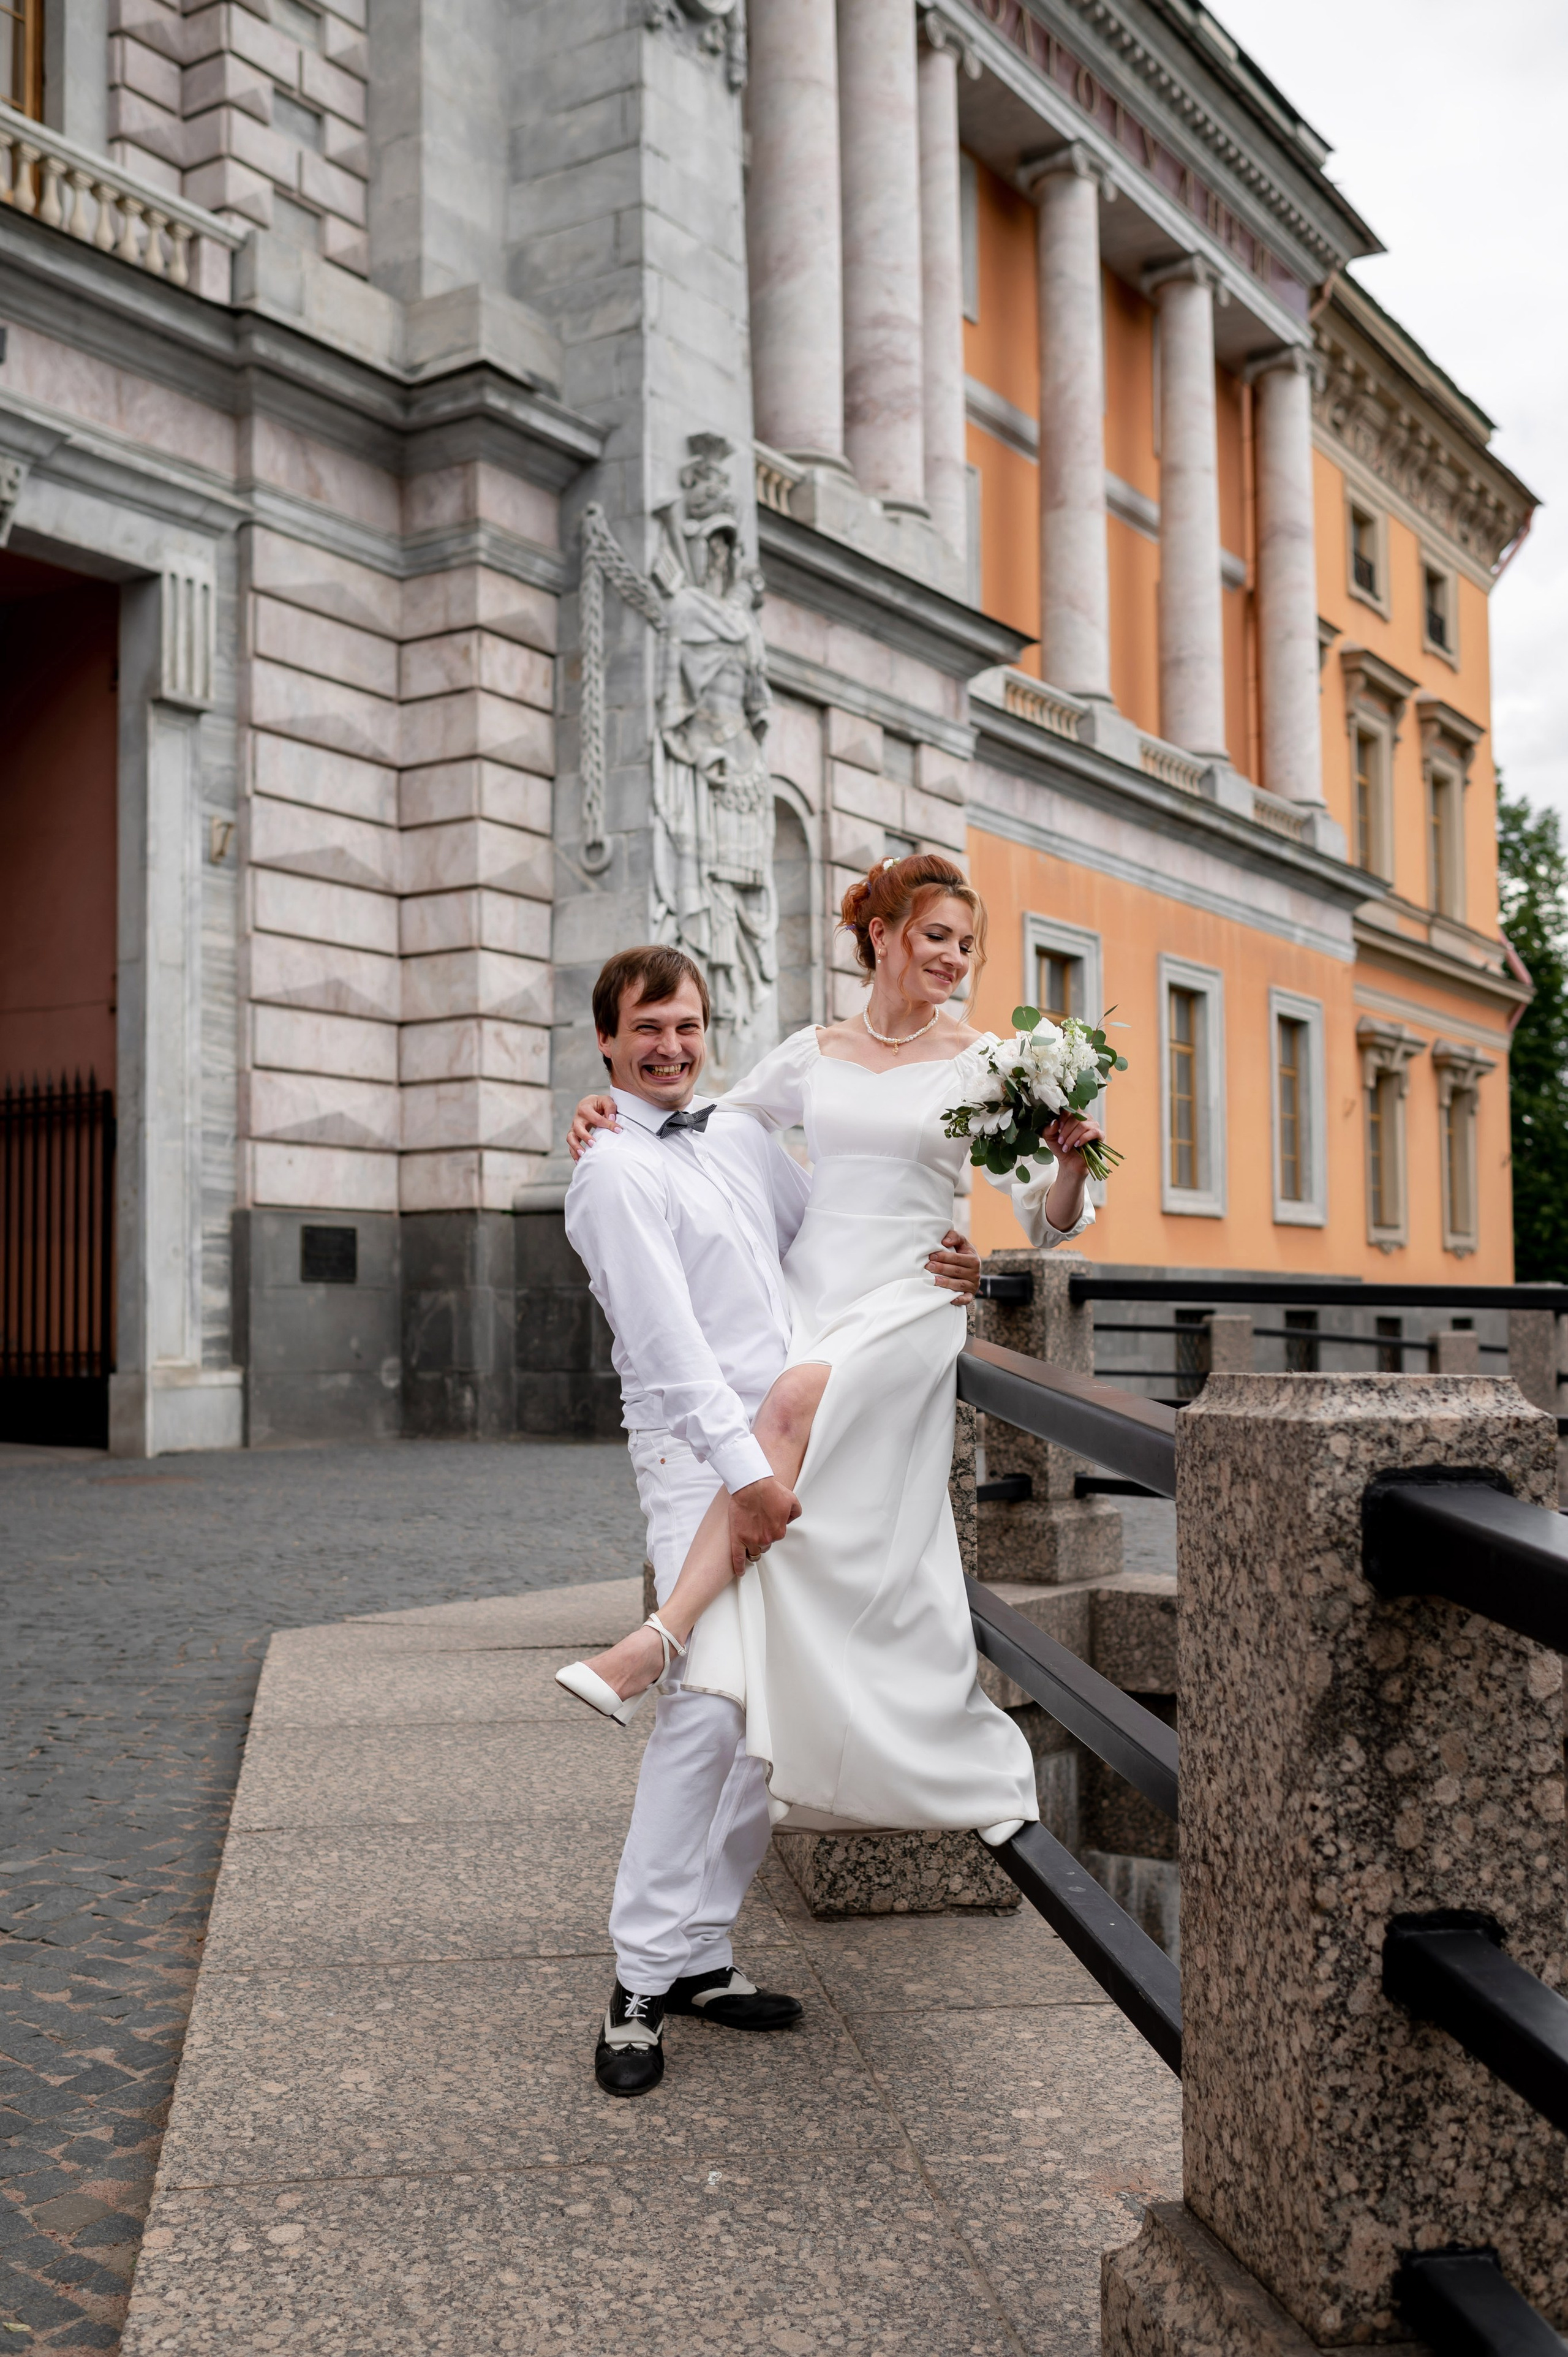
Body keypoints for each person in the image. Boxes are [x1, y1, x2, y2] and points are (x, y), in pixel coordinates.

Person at [558, 854, 1104, 1873]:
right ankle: (772, 1724)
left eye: (966, 944)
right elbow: (716, 1130)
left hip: (910, 1293)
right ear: (884, 936)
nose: (954, 957)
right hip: (813, 1288)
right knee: (789, 1493)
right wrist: (606, 1112)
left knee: (795, 1403)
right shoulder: (814, 1052)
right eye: (937, 935)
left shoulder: (989, 1063)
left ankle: (657, 1640)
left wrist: (1066, 1166)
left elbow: (1051, 1220)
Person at [560, 940, 984, 2099]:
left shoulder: (742, 1136)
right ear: (606, 1040)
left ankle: (700, 1954)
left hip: (805, 1440)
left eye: (687, 1027)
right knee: (707, 1704)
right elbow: (665, 1346)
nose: (669, 1048)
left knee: (772, 1697)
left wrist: (947, 1264)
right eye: (645, 1030)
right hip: (698, 1454)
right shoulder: (609, 1172)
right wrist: (742, 1472)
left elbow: (832, 1242)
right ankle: (637, 1982)